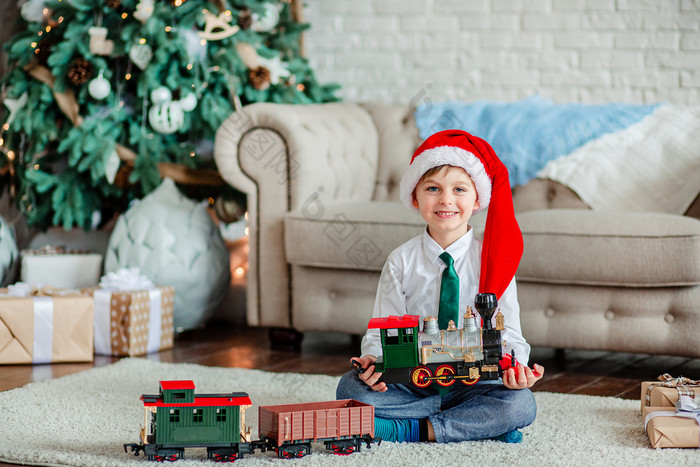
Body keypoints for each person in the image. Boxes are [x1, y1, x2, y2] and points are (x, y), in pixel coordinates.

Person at [336, 129, 544, 444]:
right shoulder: (401, 261)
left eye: (459, 189)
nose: (446, 200)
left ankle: (411, 429)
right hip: (413, 381)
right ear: (415, 197)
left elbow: (510, 333)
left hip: (473, 384)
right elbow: (381, 331)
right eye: (433, 188)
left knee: (521, 404)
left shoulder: (493, 262)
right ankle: (475, 426)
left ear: (477, 200)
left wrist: (516, 368)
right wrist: (372, 363)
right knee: (349, 389)